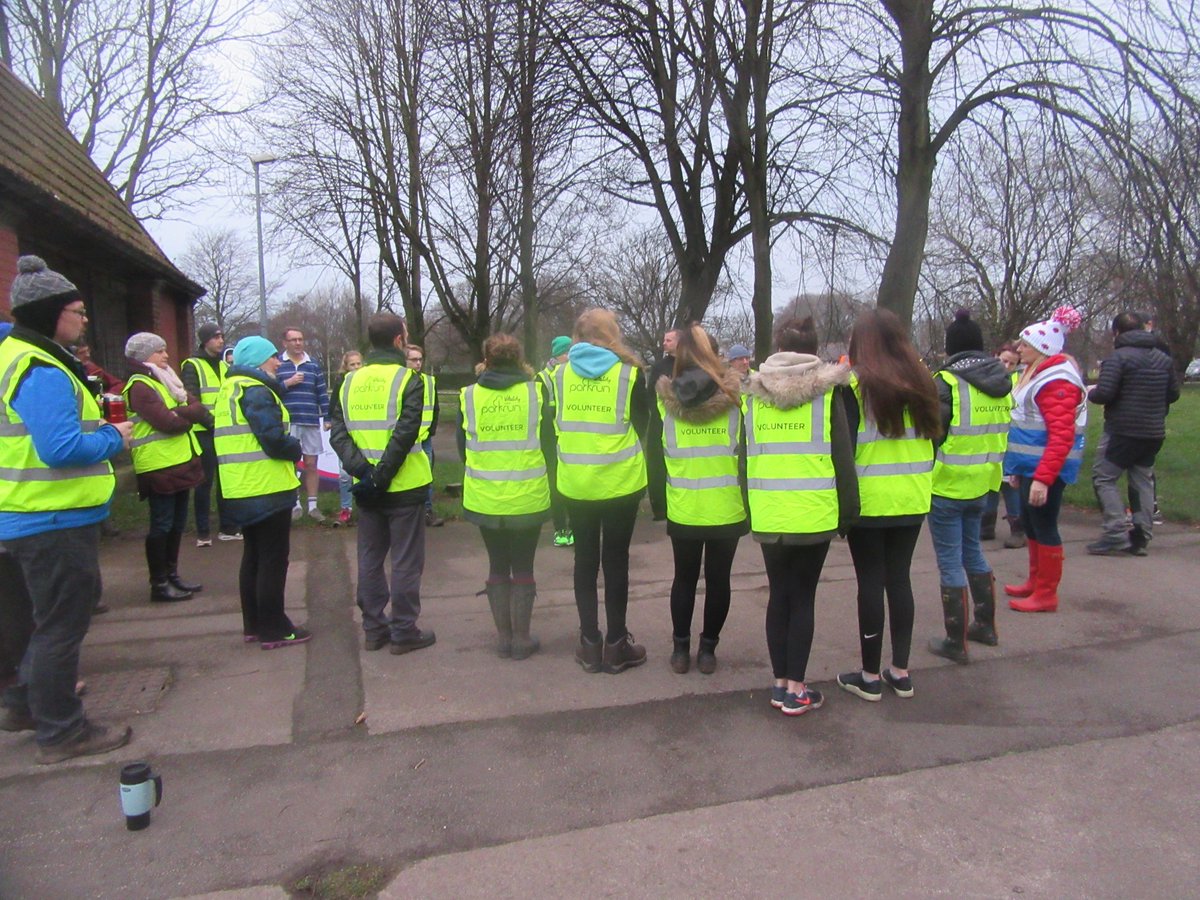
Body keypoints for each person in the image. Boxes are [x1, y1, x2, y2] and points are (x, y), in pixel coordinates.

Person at [0, 255, 133, 763]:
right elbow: (60, 448)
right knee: (61, 624)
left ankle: (24, 704)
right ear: (52, 314)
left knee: (40, 621)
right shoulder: (42, 367)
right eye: (77, 311)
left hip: (25, 512)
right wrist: (112, 438)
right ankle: (61, 732)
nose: (84, 319)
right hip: (51, 517)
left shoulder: (12, 355)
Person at [744, 316, 858, 715]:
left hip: (768, 511)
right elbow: (843, 456)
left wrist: (750, 508)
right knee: (803, 597)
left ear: (777, 348)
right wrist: (849, 513)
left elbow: (744, 458)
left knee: (779, 595)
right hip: (813, 513)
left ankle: (779, 685)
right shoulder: (827, 395)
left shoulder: (753, 394)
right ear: (814, 350)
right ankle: (797, 689)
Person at [837, 308, 939, 702]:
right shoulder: (924, 382)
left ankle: (869, 676)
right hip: (912, 495)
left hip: (870, 500)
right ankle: (900, 671)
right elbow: (936, 436)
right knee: (899, 579)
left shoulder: (855, 387)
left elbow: (845, 447)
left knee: (870, 583)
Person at [330, 314, 436, 655]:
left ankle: (374, 629)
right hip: (404, 485)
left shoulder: (348, 382)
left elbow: (338, 434)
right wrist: (380, 475)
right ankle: (404, 630)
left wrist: (365, 473)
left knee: (370, 558)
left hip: (367, 488)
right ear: (398, 341)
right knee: (405, 561)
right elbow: (406, 433)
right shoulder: (409, 379)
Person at [553, 308, 649, 674]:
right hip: (620, 482)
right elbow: (641, 423)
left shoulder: (558, 375)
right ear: (612, 334)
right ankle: (617, 644)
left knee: (585, 560)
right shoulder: (629, 374)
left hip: (576, 482)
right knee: (616, 561)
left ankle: (589, 643)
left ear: (577, 336)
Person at [647, 323, 747, 675]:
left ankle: (680, 650)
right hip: (727, 505)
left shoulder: (666, 402)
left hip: (684, 505)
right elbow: (747, 455)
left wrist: (659, 505)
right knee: (719, 581)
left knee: (684, 579)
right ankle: (707, 651)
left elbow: (655, 455)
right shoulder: (737, 400)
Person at [457, 333, 554, 659]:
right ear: (519, 359)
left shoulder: (470, 396)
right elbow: (549, 443)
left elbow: (462, 448)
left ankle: (504, 638)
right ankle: (521, 640)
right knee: (524, 565)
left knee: (497, 563)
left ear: (486, 359)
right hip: (527, 495)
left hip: (485, 496)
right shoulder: (535, 392)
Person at [924, 311, 1012, 663]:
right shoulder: (1001, 380)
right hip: (983, 483)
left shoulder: (946, 382)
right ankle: (985, 626)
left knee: (949, 561)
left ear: (951, 348)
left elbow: (932, 433)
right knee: (972, 551)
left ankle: (955, 641)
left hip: (947, 484)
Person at [213, 336, 310, 649]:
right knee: (272, 560)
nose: (278, 362)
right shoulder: (256, 390)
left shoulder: (231, 388)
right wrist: (295, 447)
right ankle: (274, 628)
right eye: (272, 357)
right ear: (257, 360)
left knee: (253, 557)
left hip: (240, 486)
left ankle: (254, 624)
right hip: (266, 486)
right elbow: (272, 438)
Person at [1003, 306, 1086, 613]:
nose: (1019, 349)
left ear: (1042, 348)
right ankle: (1036, 582)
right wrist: (1018, 469)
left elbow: (1061, 435)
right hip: (1031, 466)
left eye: (1025, 345)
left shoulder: (1056, 381)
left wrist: (1043, 479)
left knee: (1044, 524)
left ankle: (1046, 593)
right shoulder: (1037, 373)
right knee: (1032, 523)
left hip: (1046, 469)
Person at [123, 332, 210, 602]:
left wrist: (180, 413)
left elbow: (197, 408)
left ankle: (172, 575)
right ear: (143, 356)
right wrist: (185, 414)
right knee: (161, 525)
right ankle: (159, 583)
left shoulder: (168, 379)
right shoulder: (140, 385)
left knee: (177, 524)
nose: (166, 355)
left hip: (180, 462)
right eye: (159, 351)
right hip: (158, 465)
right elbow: (169, 422)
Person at [1085, 311, 1178, 556]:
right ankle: (1142, 535)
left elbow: (1105, 393)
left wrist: (1090, 392)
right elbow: (1173, 394)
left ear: (1116, 332)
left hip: (1122, 430)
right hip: (1153, 431)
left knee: (1103, 478)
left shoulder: (1117, 358)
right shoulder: (1162, 358)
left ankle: (1115, 532)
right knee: (1142, 481)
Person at [181, 323, 239, 546]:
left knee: (226, 480)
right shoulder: (192, 365)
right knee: (204, 482)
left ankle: (228, 528)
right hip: (203, 432)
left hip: (223, 432)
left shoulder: (225, 366)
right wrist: (213, 424)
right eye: (216, 337)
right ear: (205, 340)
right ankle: (203, 533)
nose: (221, 340)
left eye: (222, 336)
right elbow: (192, 400)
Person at [276, 327, 330, 521]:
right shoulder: (278, 364)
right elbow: (271, 390)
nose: (298, 343)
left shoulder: (313, 365)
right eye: (294, 340)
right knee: (290, 463)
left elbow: (321, 392)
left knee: (311, 463)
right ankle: (295, 503)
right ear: (285, 343)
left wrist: (327, 417)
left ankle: (313, 507)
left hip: (310, 420)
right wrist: (287, 383)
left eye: (300, 339)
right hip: (288, 422)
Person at [980, 341, 1026, 548]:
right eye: (1003, 361)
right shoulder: (984, 378)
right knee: (990, 482)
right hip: (990, 440)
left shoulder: (1018, 381)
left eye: (1011, 363)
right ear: (995, 357)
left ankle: (1018, 529)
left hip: (1010, 439)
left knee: (1009, 485)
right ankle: (986, 525)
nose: (1006, 366)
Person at [539, 335, 574, 547]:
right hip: (551, 438)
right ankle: (561, 529)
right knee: (556, 484)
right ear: (559, 354)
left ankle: (576, 526)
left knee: (573, 483)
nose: (570, 356)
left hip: (572, 437)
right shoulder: (542, 378)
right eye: (567, 352)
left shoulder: (575, 375)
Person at [405, 344, 443, 527]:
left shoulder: (429, 381)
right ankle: (408, 514)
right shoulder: (399, 381)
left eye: (420, 359)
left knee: (426, 476)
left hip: (424, 437)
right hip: (404, 438)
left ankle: (427, 511)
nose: (418, 363)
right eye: (413, 359)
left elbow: (435, 408)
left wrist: (430, 430)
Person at [646, 328, 680, 520]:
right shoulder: (659, 367)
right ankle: (659, 507)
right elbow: (650, 393)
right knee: (657, 463)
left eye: (669, 340)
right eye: (664, 340)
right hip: (660, 420)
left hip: (682, 421)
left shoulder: (688, 365)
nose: (664, 343)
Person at [331, 350, 364, 526]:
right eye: (352, 364)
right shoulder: (341, 383)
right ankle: (346, 508)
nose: (356, 367)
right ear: (346, 366)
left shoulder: (368, 383)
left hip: (364, 432)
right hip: (345, 432)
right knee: (345, 473)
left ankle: (364, 507)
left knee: (364, 471)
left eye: (359, 363)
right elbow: (333, 407)